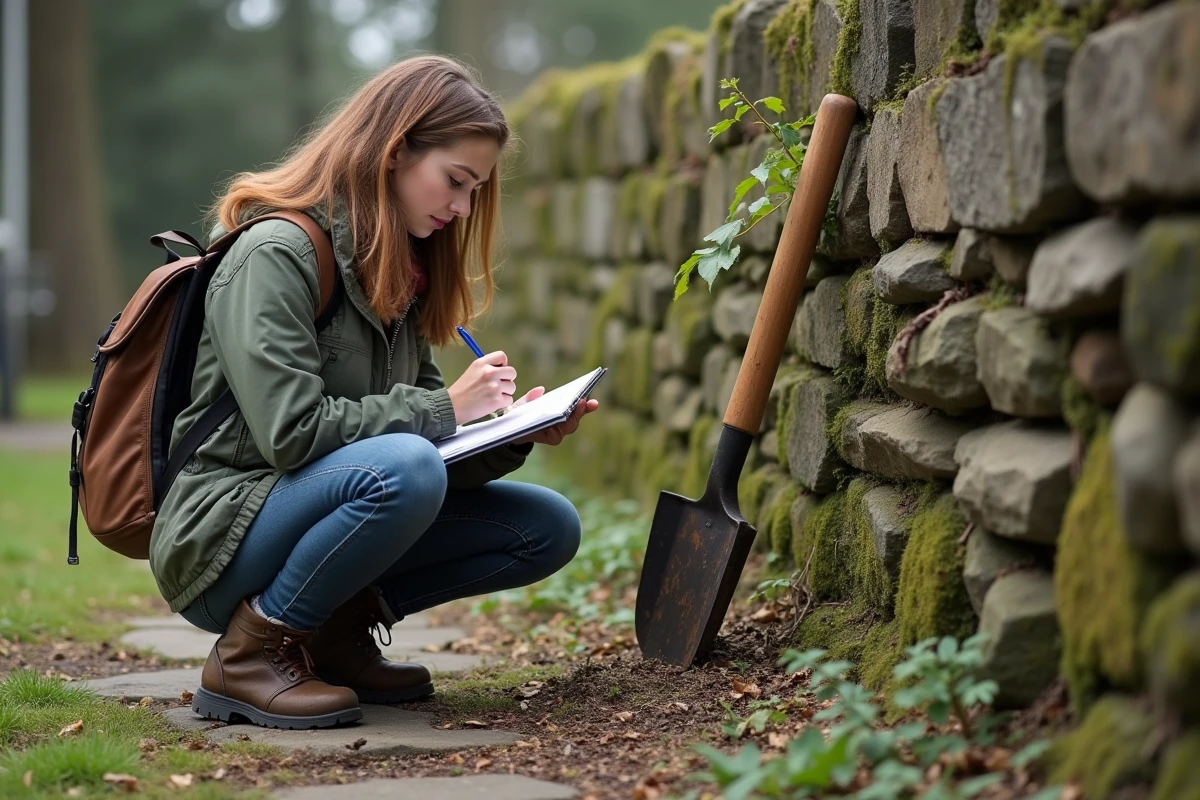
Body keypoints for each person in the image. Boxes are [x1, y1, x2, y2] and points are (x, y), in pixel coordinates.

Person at [149, 55, 598, 730]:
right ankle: (251, 653)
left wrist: (513, 434)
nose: (462, 207)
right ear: (394, 152)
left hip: (314, 509)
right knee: (403, 470)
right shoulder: (275, 253)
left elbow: (432, 447)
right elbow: (291, 433)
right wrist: (448, 407)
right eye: (455, 181)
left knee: (543, 528)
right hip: (220, 532)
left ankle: (328, 634)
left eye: (475, 190)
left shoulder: (396, 273)